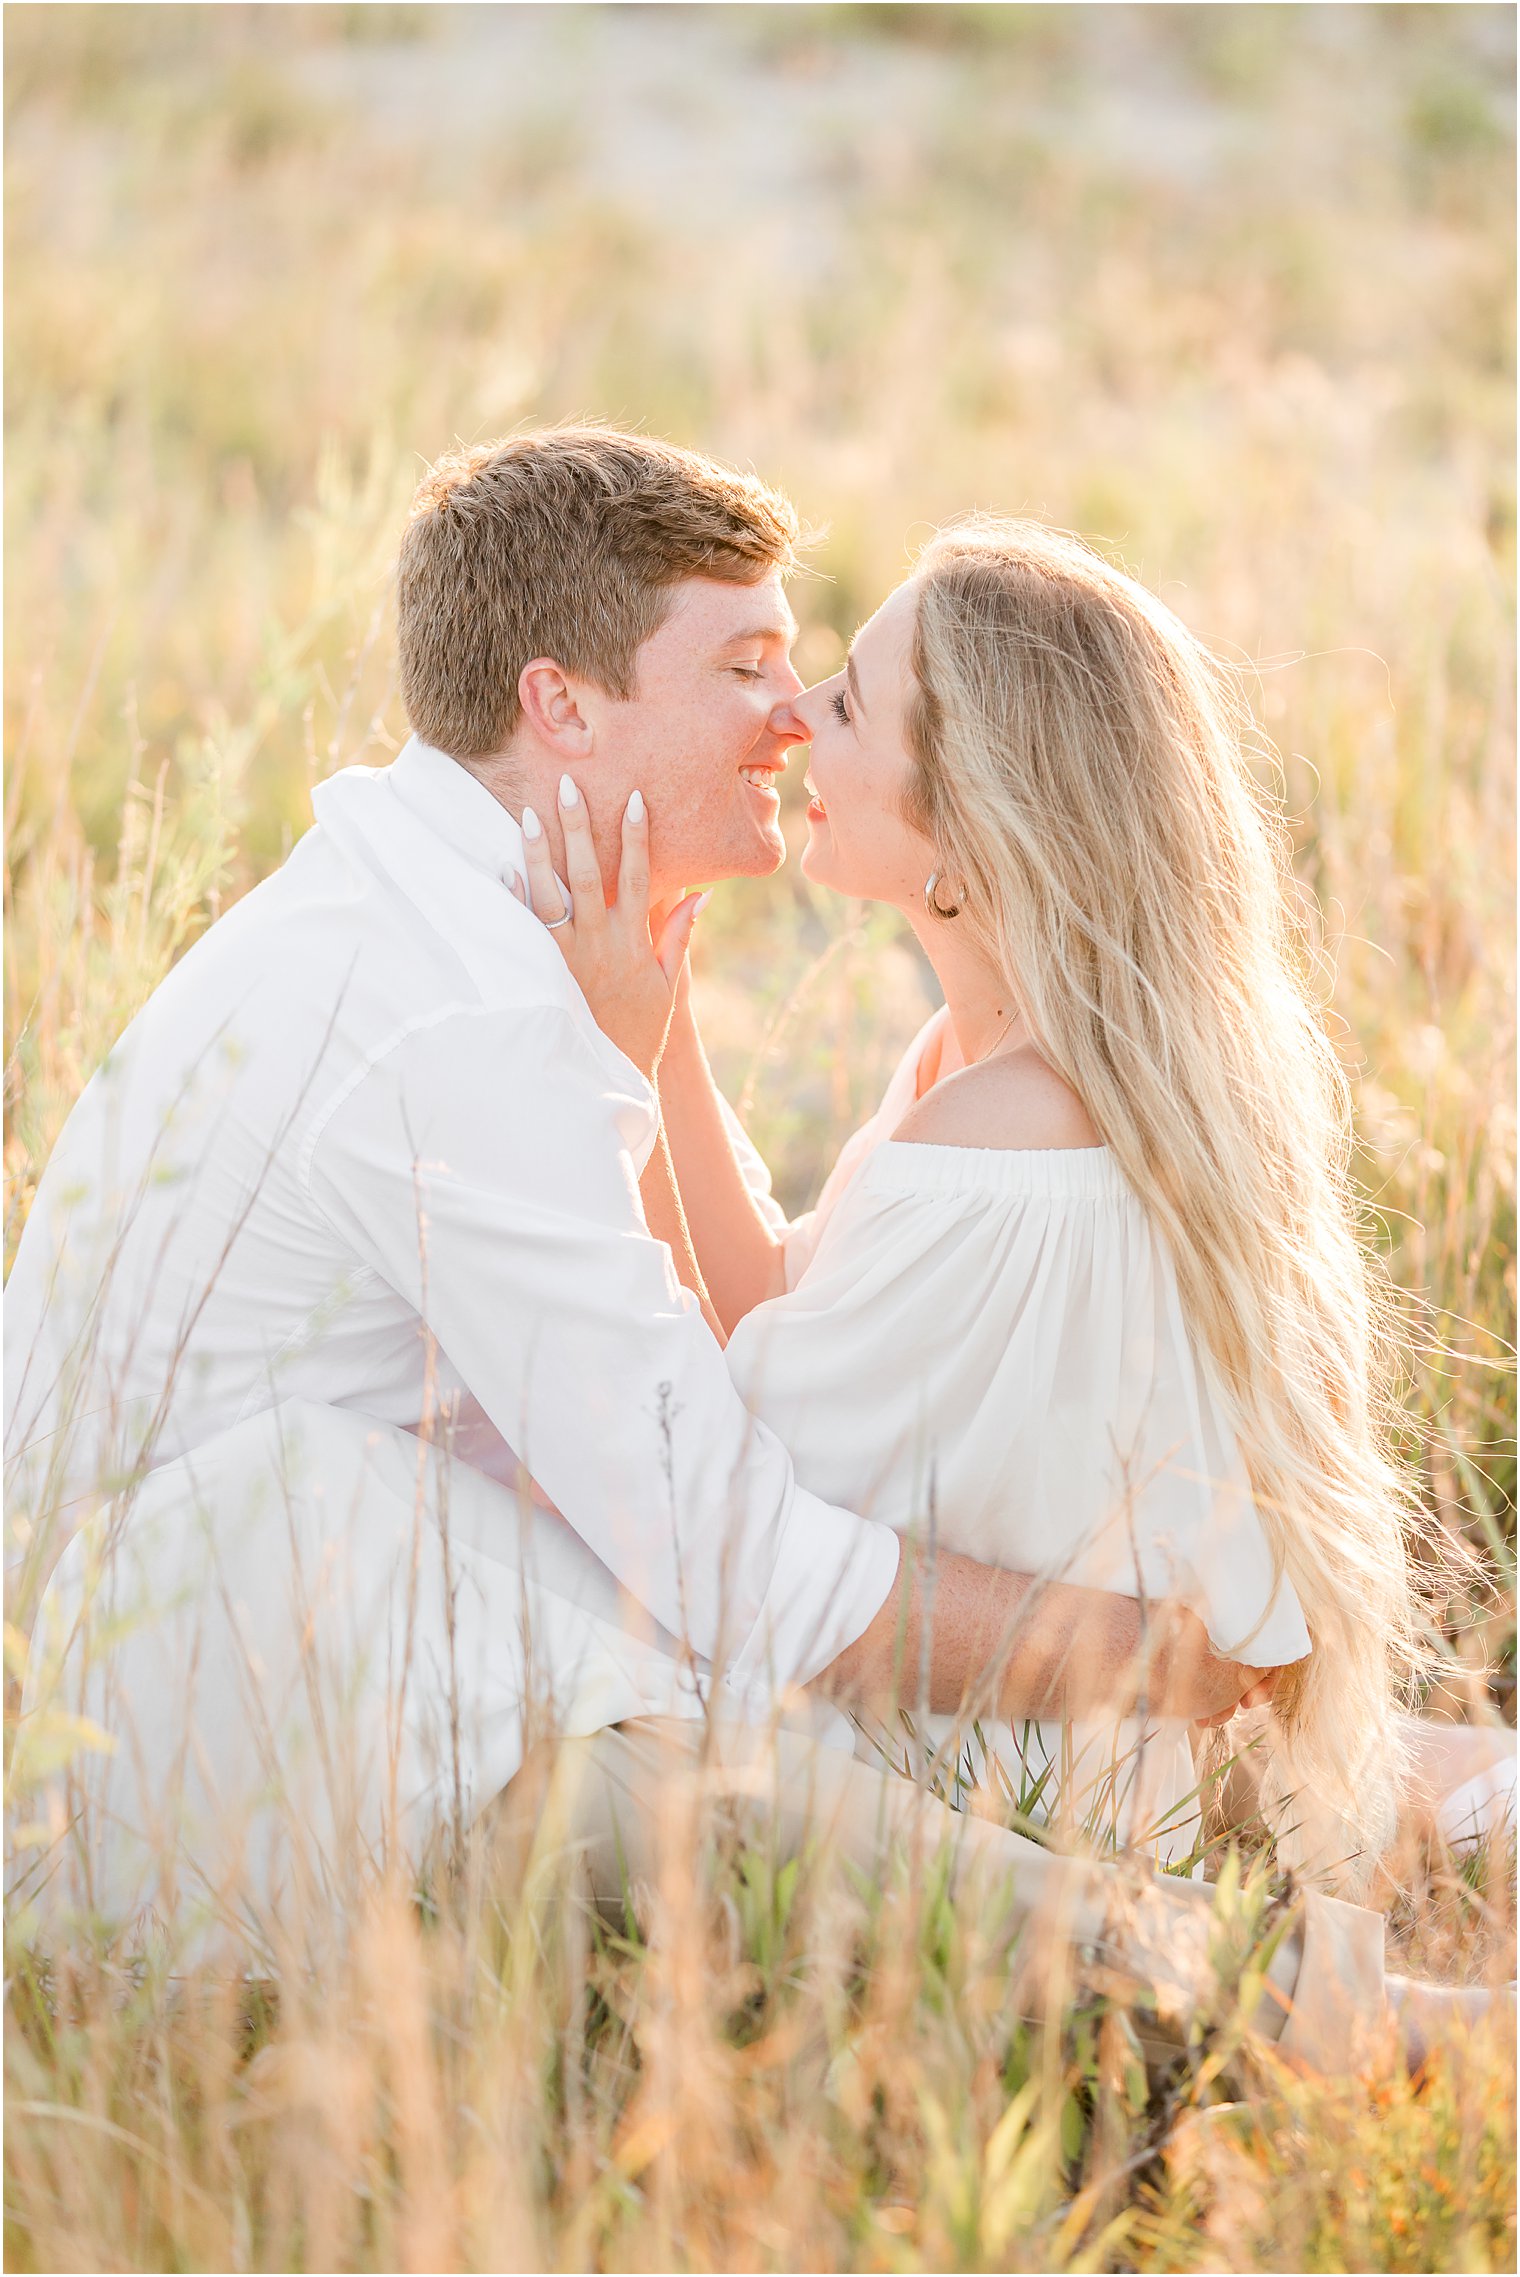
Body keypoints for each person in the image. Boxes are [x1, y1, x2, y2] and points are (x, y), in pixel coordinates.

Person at [0, 430, 1438, 2068]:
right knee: (766, 1786)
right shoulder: (452, 1008)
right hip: (182, 1699)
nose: (786, 712)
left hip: (359, 1605)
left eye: (810, 672)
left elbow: (705, 1368)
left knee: (736, 1729)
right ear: (563, 707)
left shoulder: (480, 929)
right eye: (750, 663)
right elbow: (741, 1544)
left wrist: (645, 1040)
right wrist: (1137, 1655)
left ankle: (1354, 1869)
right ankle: (1321, 2019)